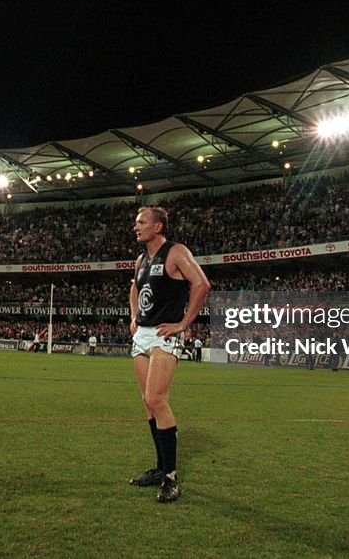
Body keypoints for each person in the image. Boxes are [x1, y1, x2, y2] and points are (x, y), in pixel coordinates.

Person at [128, 206, 210, 503]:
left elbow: (201, 284)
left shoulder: (175, 252)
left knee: (156, 399)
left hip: (166, 335)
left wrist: (184, 323)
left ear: (158, 226)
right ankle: (161, 468)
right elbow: (134, 289)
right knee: (147, 404)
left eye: (142, 222)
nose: (136, 226)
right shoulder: (141, 259)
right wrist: (134, 316)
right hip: (143, 335)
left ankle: (171, 477)